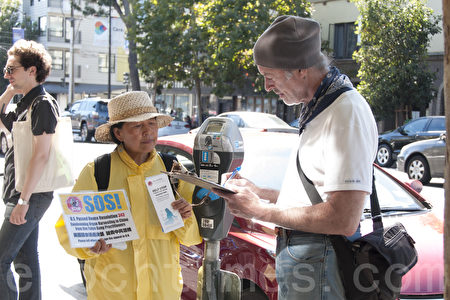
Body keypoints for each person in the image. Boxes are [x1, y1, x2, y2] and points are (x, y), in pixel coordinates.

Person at [213, 16, 378, 299]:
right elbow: (314, 198)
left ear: (301, 69)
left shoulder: (344, 111)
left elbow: (343, 218)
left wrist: (257, 209)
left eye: (270, 75)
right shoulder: (321, 107)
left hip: (321, 263)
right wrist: (258, 193)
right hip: (311, 262)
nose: (265, 86)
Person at [55, 91, 202, 299]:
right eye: (137, 125)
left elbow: (191, 238)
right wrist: (89, 245)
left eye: (151, 124)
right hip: (111, 290)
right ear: (118, 133)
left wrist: (185, 218)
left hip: (162, 290)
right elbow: (68, 229)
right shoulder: (97, 171)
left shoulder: (174, 170)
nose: (148, 132)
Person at [0, 40, 58, 300]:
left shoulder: (42, 104)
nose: (6, 74)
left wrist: (23, 199)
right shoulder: (24, 103)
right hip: (22, 192)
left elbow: (41, 154)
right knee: (25, 260)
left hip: (29, 194)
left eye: (12, 69)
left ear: (32, 70)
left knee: (1, 259)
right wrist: (9, 93)